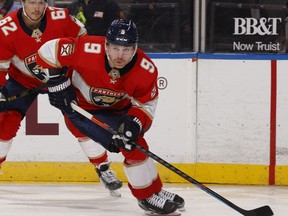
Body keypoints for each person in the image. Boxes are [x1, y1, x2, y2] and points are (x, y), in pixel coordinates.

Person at [36, 18, 185, 215]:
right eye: (115, 48)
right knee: (131, 146)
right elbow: (47, 50)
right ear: (106, 45)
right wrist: (56, 82)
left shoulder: (145, 70)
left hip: (118, 112)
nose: (120, 56)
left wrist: (134, 121)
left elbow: (146, 104)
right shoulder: (87, 48)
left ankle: (154, 190)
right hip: (82, 110)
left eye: (126, 49)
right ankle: (146, 196)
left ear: (135, 48)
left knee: (135, 141)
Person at [0, 0, 122, 196]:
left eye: (41, 2)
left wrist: (75, 69)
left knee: (78, 121)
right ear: (22, 2)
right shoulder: (7, 28)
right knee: (5, 121)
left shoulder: (62, 18)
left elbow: (84, 41)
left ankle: (103, 168)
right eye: (32, 2)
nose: (37, 8)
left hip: (60, 77)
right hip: (22, 80)